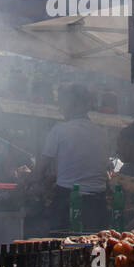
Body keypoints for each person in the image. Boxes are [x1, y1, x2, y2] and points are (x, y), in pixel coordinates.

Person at [34, 84, 110, 231]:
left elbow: (40, 170)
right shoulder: (103, 133)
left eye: (63, 103)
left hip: (67, 203)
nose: (61, 109)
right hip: (97, 205)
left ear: (74, 104)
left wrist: (29, 184)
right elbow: (88, 168)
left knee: (63, 248)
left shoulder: (59, 130)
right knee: (96, 250)